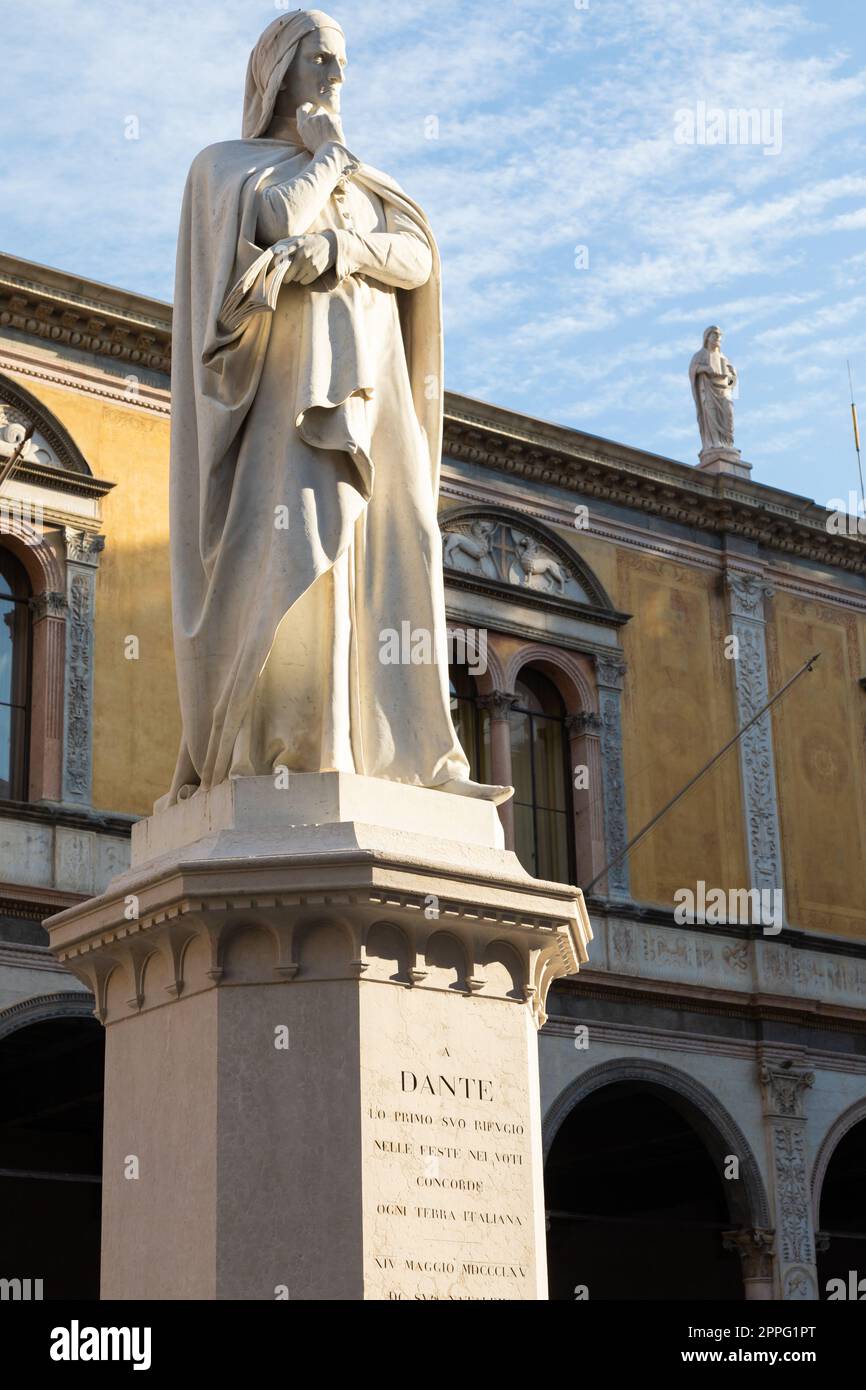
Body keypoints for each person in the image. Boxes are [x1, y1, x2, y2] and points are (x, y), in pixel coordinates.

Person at [159, 9, 511, 809]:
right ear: (281, 71)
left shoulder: (363, 184)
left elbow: (417, 259)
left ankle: (412, 752)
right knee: (307, 550)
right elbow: (279, 219)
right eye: (322, 59)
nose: (338, 78)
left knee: (405, 540)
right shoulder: (225, 168)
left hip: (376, 390)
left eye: (343, 62)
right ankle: (300, 748)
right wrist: (325, 157)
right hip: (288, 406)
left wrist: (344, 250)